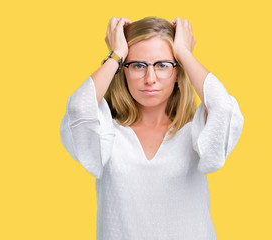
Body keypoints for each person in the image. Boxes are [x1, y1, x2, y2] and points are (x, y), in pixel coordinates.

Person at [59, 16, 244, 240]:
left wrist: (184, 53)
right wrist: (116, 54)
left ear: (178, 72)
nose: (150, 78)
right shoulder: (107, 133)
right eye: (138, 65)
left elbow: (223, 108)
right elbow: (79, 109)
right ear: (123, 70)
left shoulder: (195, 132)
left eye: (163, 65)